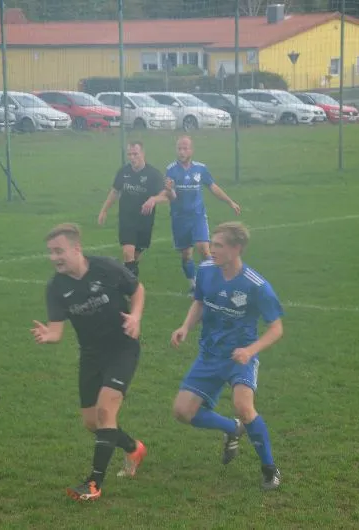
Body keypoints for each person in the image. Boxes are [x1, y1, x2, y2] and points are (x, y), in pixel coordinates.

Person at [31, 223, 148, 502]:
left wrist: (135, 317)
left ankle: (94, 483)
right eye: (51, 252)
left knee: (106, 411)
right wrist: (48, 336)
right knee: (92, 422)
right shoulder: (56, 287)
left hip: (122, 348)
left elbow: (137, 290)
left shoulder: (106, 267)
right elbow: (57, 331)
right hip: (91, 355)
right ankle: (133, 448)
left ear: (76, 249)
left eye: (59, 251)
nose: (54, 257)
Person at [170, 221, 283, 490]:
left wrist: (250, 351)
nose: (212, 249)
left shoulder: (256, 285)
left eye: (219, 245)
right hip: (209, 354)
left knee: (244, 406)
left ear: (237, 248)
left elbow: (276, 328)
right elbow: (199, 301)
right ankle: (232, 428)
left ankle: (269, 468)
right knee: (182, 412)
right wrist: (185, 327)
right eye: (212, 243)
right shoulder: (206, 270)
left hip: (239, 356)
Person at [165, 135, 241, 295]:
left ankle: (214, 283)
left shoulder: (200, 168)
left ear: (191, 150)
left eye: (185, 148)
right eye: (179, 148)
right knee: (186, 255)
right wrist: (169, 190)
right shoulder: (171, 170)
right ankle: (193, 285)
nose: (182, 152)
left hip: (197, 216)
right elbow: (172, 197)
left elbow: (213, 187)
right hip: (179, 218)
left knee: (204, 250)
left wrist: (230, 202)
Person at [97, 141, 169, 278]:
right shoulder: (123, 172)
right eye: (129, 154)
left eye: (135, 154)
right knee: (128, 253)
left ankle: (126, 277)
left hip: (145, 221)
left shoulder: (153, 174)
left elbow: (165, 196)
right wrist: (104, 210)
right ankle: (131, 287)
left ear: (143, 154)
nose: (132, 157)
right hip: (127, 219)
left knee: (134, 258)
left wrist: (154, 199)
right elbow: (115, 191)